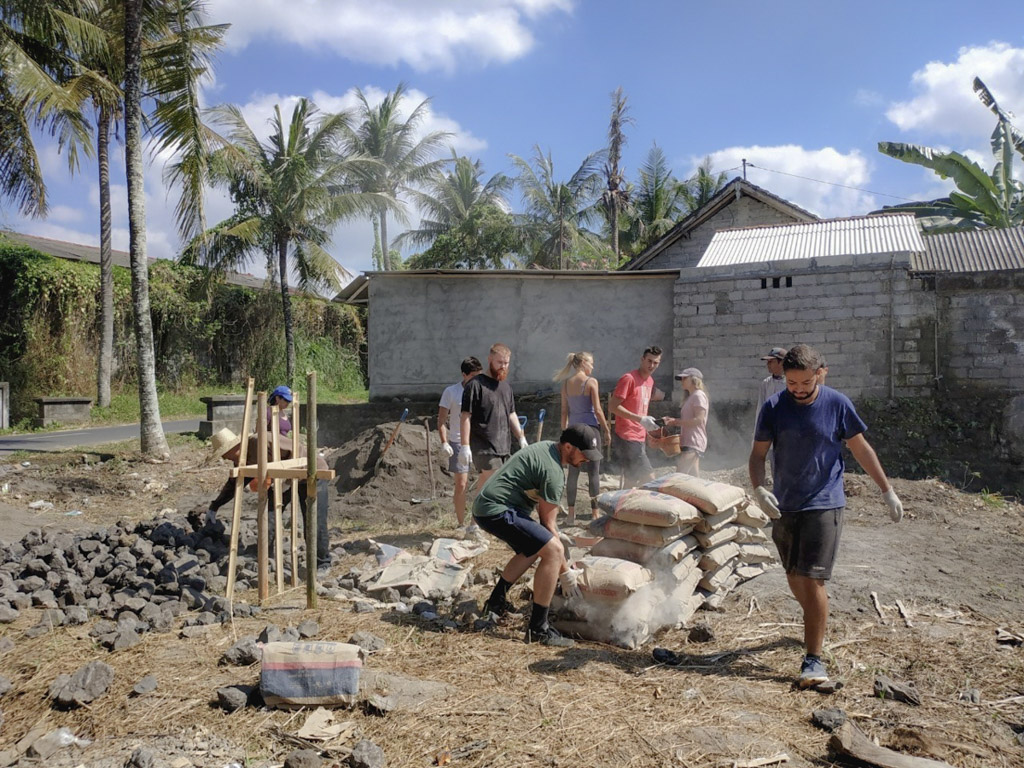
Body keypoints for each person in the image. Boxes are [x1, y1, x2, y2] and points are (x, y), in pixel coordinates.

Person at [748, 344, 904, 689]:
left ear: (820, 373)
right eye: (791, 383)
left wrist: (886, 490)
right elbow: (758, 456)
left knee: (813, 578)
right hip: (785, 503)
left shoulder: (837, 404)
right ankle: (814, 620)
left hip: (825, 501)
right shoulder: (774, 407)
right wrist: (760, 490)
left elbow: (861, 448)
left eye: (805, 382)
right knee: (793, 575)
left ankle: (813, 658)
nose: (799, 389)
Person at [472, 424, 603, 647]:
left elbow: (546, 526)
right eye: (584, 454)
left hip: (486, 506)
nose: (587, 460)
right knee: (552, 550)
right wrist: (566, 573)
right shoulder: (553, 472)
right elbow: (547, 524)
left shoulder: (547, 448)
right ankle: (538, 629)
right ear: (568, 447)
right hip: (496, 509)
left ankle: (495, 603)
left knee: (533, 547)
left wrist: (554, 536)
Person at [205, 427, 331, 570]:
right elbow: (234, 483)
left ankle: (323, 562)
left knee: (314, 521)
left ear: (235, 446)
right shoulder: (241, 458)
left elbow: (296, 452)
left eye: (224, 453)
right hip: (282, 480)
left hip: (311, 473)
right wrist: (215, 506)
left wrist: (286, 480)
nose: (224, 458)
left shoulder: (262, 441)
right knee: (267, 515)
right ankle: (266, 556)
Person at [553, 351, 611, 524]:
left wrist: (565, 432)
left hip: (573, 429)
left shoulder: (565, 384)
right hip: (590, 429)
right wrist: (607, 429)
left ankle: (571, 515)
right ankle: (594, 513)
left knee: (573, 472)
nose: (593, 366)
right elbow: (598, 410)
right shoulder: (591, 382)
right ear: (584, 362)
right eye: (591, 363)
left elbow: (564, 410)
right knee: (594, 471)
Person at [459, 343, 528, 487]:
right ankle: (496, 510)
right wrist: (465, 446)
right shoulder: (475, 385)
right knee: (499, 484)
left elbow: (511, 414)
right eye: (500, 362)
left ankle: (478, 509)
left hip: (503, 446)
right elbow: (465, 416)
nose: (503, 366)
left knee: (486, 485)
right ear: (490, 359)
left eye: (506, 363)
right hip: (483, 447)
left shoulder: (505, 387)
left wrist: (521, 437)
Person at [608, 346, 665, 486]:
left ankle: (622, 507)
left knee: (631, 480)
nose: (652, 365)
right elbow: (612, 406)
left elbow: (640, 410)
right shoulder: (629, 379)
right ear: (642, 360)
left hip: (639, 436)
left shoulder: (650, 381)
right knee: (650, 480)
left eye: (656, 363)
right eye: (649, 361)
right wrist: (640, 419)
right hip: (627, 436)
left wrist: (647, 429)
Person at [438, 356, 483, 530]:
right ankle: (461, 523)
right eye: (473, 375)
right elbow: (441, 420)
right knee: (462, 483)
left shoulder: (482, 390)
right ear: (464, 375)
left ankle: (478, 521)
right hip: (457, 441)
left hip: (478, 441)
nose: (476, 379)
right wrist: (444, 442)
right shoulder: (451, 392)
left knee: (484, 481)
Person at [664, 367, 708, 477]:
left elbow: (698, 420)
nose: (681, 381)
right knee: (693, 477)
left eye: (684, 378)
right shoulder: (691, 397)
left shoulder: (698, 395)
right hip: (690, 441)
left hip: (694, 441)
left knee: (679, 476)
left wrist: (676, 422)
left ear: (693, 379)